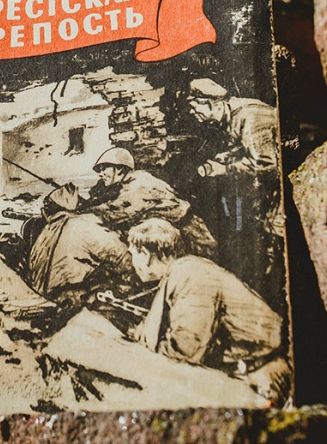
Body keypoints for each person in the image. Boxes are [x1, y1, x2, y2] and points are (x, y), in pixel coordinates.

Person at [125, 219, 290, 403]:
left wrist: (144, 357)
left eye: (132, 254)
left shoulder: (190, 274)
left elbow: (188, 346)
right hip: (251, 371)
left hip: (264, 376)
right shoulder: (186, 269)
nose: (132, 261)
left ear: (145, 254)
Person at [188, 78, 284, 289]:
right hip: (272, 186)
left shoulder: (249, 118)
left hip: (282, 184)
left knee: (275, 237)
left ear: (211, 103)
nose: (194, 115)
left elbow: (266, 163)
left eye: (196, 109)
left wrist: (225, 169)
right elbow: (246, 147)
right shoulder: (233, 114)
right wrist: (223, 158)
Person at [85, 146, 216, 258]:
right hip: (182, 234)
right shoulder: (130, 182)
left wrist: (84, 213)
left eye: (104, 168)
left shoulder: (139, 182)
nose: (100, 174)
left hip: (193, 237)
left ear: (119, 169)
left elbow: (120, 211)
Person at [27, 184, 134, 307]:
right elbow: (123, 259)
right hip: (77, 304)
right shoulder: (83, 224)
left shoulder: (44, 234)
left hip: (47, 305)